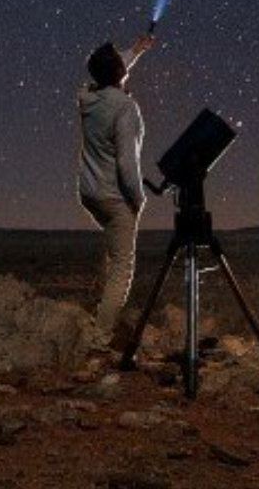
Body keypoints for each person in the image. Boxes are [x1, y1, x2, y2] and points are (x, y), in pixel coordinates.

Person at [76, 31, 157, 350]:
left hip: (89, 192)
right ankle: (100, 336)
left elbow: (106, 73)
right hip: (114, 195)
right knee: (123, 265)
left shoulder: (86, 97)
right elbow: (127, 163)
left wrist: (135, 51)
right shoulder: (125, 108)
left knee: (112, 254)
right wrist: (138, 199)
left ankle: (101, 312)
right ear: (119, 74)